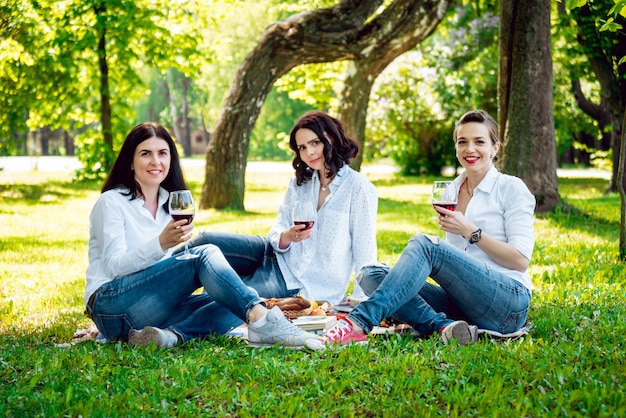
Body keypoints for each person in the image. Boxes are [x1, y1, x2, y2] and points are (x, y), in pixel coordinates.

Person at [305, 109, 536, 350]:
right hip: (462, 305)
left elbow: (519, 260)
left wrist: (471, 231)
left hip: (507, 304)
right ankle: (445, 327)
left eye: (479, 142)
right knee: (370, 274)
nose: (470, 149)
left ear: (495, 148)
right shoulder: (452, 190)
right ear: (455, 147)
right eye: (462, 142)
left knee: (426, 245)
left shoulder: (511, 188)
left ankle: (358, 322)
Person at [84, 122, 317, 348]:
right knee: (205, 254)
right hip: (111, 306)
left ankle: (171, 337)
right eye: (146, 154)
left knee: (234, 299)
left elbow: (162, 274)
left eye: (163, 153)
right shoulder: (112, 202)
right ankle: (265, 322)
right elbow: (114, 267)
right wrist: (161, 244)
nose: (156, 161)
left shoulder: (170, 204)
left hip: (149, 311)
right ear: (131, 162)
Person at [184, 110, 378, 306]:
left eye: (315, 143)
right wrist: (286, 236)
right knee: (205, 242)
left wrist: (361, 302)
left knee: (218, 298)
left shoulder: (358, 188)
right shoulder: (300, 182)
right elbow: (280, 224)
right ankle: (155, 276)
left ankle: (168, 317)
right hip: (270, 251)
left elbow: (366, 252)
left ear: (333, 139)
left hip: (296, 282)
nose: (308, 152)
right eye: (302, 147)